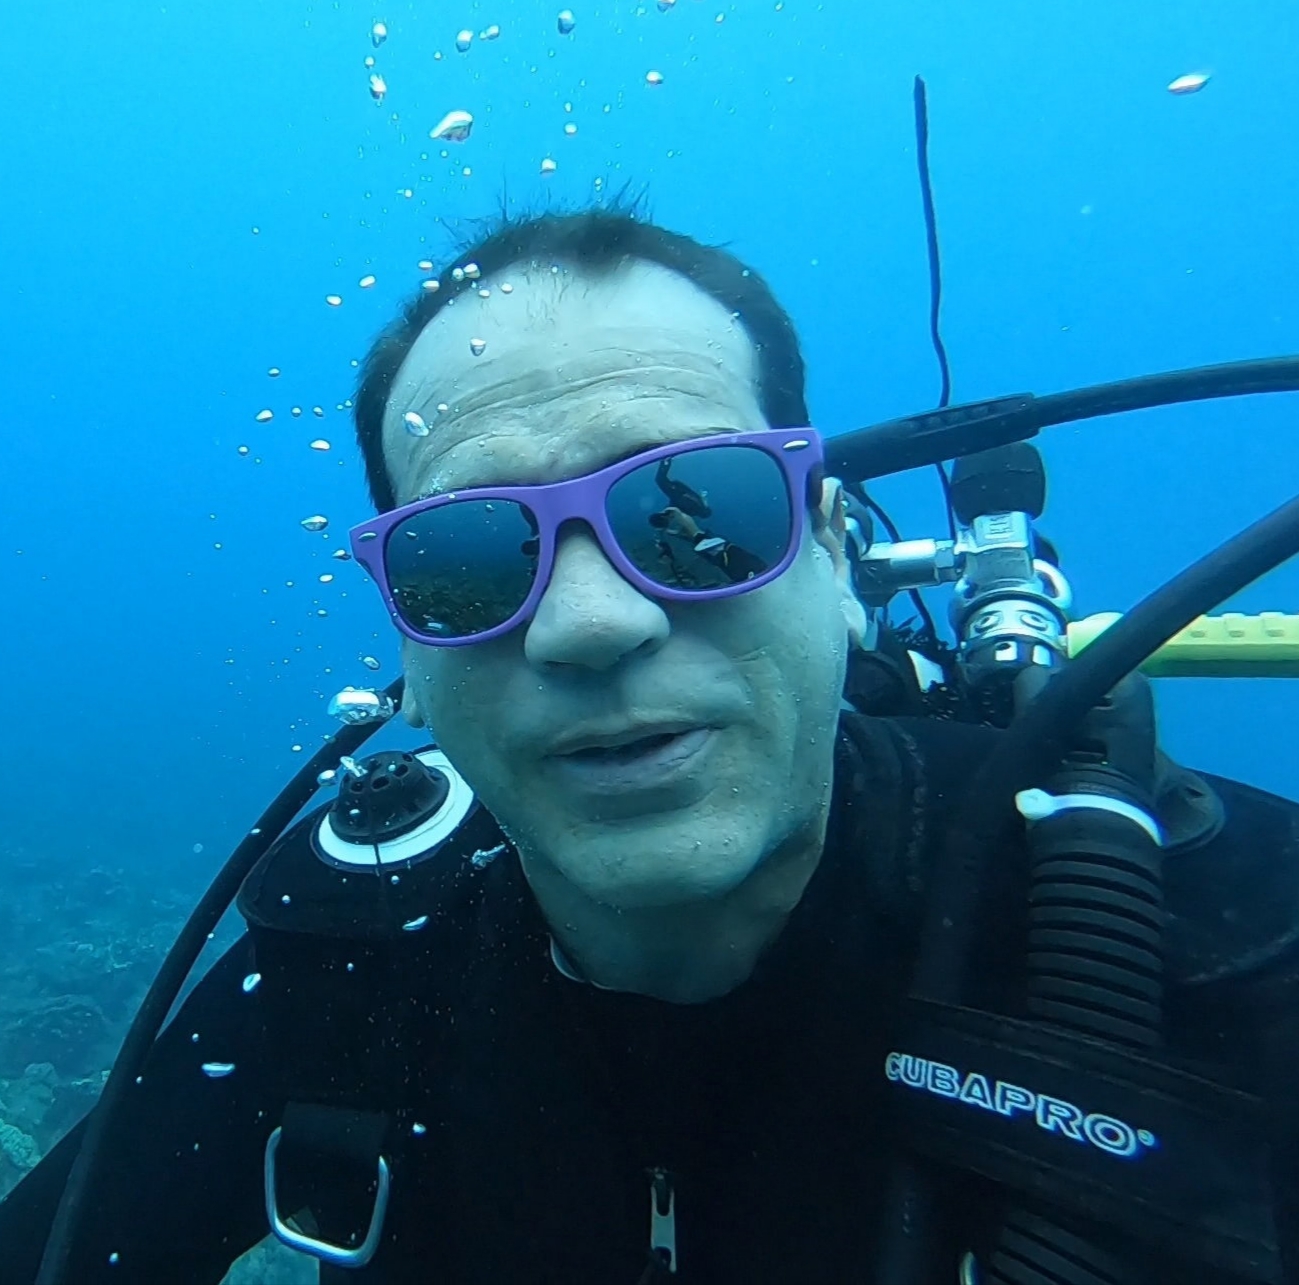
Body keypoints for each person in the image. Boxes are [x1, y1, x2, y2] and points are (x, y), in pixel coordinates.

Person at [2, 208, 1298, 1285]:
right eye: (468, 560)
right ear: (408, 653)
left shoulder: (1216, 938)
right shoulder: (349, 969)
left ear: (835, 557)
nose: (589, 623)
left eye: (700, 517)